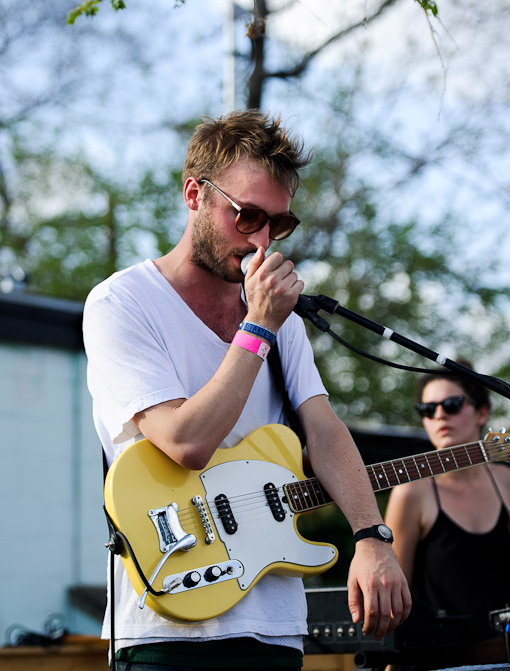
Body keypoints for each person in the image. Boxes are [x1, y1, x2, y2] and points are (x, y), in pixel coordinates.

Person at [83, 109, 411, 671]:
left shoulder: (283, 323)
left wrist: (372, 536)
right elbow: (187, 442)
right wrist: (257, 328)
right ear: (194, 194)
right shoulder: (121, 303)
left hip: (274, 625)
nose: (261, 239)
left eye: (278, 225)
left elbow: (323, 429)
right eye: (247, 215)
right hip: (167, 624)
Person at [385, 364, 510, 670]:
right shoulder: (410, 492)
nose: (439, 415)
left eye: (451, 405)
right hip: (437, 663)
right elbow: (393, 602)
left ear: (482, 414)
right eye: (427, 409)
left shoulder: (507, 481)